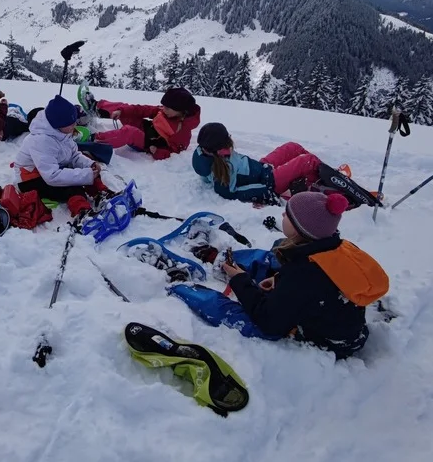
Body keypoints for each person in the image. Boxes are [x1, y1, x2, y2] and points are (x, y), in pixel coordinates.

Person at [169, 191, 389, 360]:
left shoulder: (302, 275)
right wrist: (279, 279)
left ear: (301, 229)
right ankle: (220, 258)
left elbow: (269, 321)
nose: (282, 214)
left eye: (289, 215)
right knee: (278, 251)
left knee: (238, 314)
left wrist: (240, 281)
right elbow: (320, 283)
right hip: (334, 316)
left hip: (328, 341)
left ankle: (181, 285)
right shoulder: (334, 247)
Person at [13, 96, 107, 218]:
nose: (74, 125)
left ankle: (103, 195)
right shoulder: (41, 141)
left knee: (86, 173)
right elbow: (52, 176)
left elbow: (73, 155)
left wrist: (89, 165)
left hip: (48, 170)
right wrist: (86, 175)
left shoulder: (62, 131)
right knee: (72, 186)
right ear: (58, 124)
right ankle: (83, 214)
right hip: (30, 179)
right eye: (71, 123)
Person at [191, 122, 326, 204]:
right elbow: (231, 193)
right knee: (306, 161)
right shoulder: (224, 168)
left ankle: (320, 174)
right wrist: (265, 192)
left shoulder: (204, 152)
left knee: (293, 147)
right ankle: (323, 182)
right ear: (219, 148)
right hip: (269, 181)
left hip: (262, 168)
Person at [78, 86, 200, 160]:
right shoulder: (165, 111)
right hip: (146, 128)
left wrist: (157, 151)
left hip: (148, 143)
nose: (163, 109)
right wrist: (121, 111)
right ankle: (96, 107)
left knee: (129, 132)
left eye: (167, 108)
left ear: (181, 111)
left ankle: (92, 139)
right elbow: (142, 110)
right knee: (126, 109)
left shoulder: (183, 132)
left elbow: (174, 153)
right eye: (163, 106)